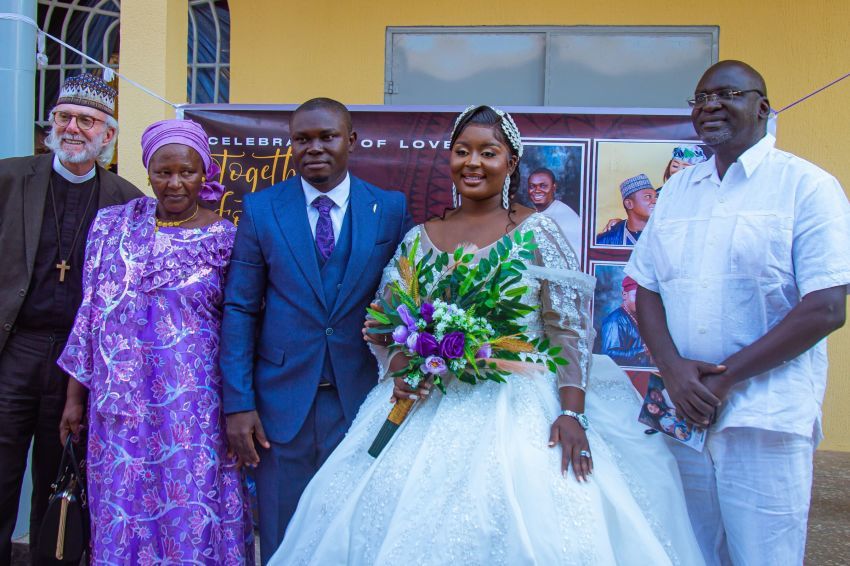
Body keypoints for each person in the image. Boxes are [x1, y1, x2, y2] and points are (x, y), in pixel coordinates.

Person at [269, 105, 704, 565]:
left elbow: (567, 328)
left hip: (521, 401)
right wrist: (402, 367)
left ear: (511, 162)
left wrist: (573, 414)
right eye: (462, 151)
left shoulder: (538, 232)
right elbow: (383, 320)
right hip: (424, 400)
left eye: (488, 152)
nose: (472, 163)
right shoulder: (420, 237)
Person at [626, 60, 850, 566]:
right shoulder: (680, 191)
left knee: (764, 556)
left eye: (727, 94)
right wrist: (674, 371)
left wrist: (724, 379)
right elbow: (647, 287)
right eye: (701, 98)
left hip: (764, 416)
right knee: (688, 552)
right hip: (684, 415)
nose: (710, 106)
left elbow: (826, 307)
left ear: (763, 107)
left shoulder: (807, 186)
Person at [220, 97, 411, 563]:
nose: (314, 148)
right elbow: (241, 308)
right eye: (302, 139)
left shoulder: (387, 209)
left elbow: (407, 301)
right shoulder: (263, 209)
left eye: (326, 137)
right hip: (281, 404)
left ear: (351, 140)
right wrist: (238, 403)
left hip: (361, 398)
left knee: (352, 529)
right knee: (285, 533)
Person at [57, 119, 255, 564]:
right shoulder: (112, 227)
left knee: (190, 507)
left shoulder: (226, 239)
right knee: (121, 505)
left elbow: (241, 326)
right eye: (163, 172)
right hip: (120, 409)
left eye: (186, 171)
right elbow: (89, 314)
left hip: (194, 411)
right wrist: (74, 399)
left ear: (205, 171)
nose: (175, 182)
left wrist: (239, 404)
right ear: (148, 173)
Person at [0, 73, 142, 563]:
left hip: (79, 367)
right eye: (64, 117)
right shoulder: (9, 178)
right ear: (50, 126)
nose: (73, 128)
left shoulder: (128, 201)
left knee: (60, 476)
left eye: (88, 120)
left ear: (108, 135)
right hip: (15, 349)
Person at [597, 275, 652, 367]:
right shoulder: (614, 321)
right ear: (624, 295)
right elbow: (609, 355)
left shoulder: (642, 317)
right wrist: (643, 350)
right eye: (636, 295)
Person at [526, 167, 582, 251]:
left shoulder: (565, 215)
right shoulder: (535, 213)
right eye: (532, 186)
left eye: (543, 186)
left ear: (554, 187)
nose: (537, 190)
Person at [595, 173, 657, 246]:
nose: (656, 201)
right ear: (629, 204)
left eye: (656, 197)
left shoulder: (666, 234)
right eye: (647, 197)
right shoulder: (607, 240)